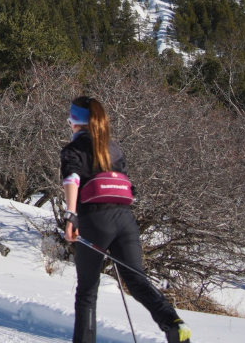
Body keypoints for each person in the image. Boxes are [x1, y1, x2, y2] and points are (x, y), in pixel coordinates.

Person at [61, 96, 190, 343]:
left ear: (75, 122)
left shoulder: (74, 149)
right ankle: (173, 323)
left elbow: (72, 179)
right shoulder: (115, 148)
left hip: (95, 220)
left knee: (87, 291)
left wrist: (71, 215)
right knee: (136, 279)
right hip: (125, 220)